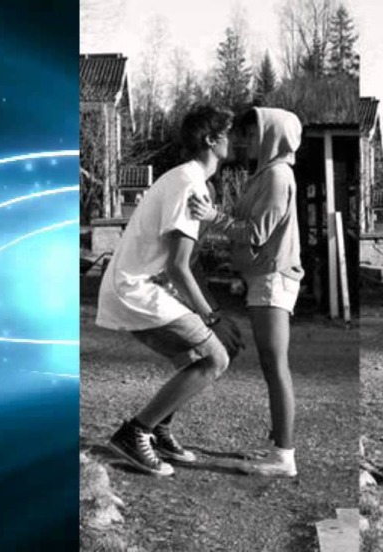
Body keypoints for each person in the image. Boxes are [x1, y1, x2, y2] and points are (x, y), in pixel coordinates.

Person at [99, 105, 244, 477]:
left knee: (193, 356)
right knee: (214, 358)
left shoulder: (190, 180)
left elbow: (183, 264)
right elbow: (178, 267)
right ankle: (135, 433)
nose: (233, 139)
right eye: (227, 133)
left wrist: (206, 312)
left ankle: (159, 429)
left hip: (140, 286)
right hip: (134, 289)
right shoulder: (188, 183)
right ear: (210, 140)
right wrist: (211, 317)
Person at [188, 107, 303, 477]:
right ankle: (280, 445)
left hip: (273, 278)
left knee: (276, 365)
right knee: (273, 365)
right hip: (265, 276)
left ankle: (284, 456)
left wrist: (212, 217)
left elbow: (256, 232)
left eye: (254, 134)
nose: (246, 141)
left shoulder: (277, 176)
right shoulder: (266, 174)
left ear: (272, 137)